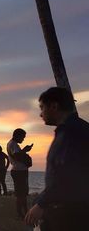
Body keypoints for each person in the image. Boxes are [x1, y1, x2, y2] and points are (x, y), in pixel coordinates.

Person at [25, 87, 89, 230]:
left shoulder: (71, 134)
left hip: (70, 211)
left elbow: (67, 174)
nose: (41, 114)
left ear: (54, 106)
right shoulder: (75, 129)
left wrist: (41, 203)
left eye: (42, 108)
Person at [7, 128, 32, 219]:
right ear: (17, 136)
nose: (23, 139)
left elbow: (18, 156)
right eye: (22, 137)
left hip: (20, 170)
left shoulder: (13, 144)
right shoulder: (13, 144)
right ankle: (20, 213)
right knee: (21, 193)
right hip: (19, 171)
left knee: (23, 193)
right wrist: (25, 150)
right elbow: (17, 156)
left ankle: (25, 212)